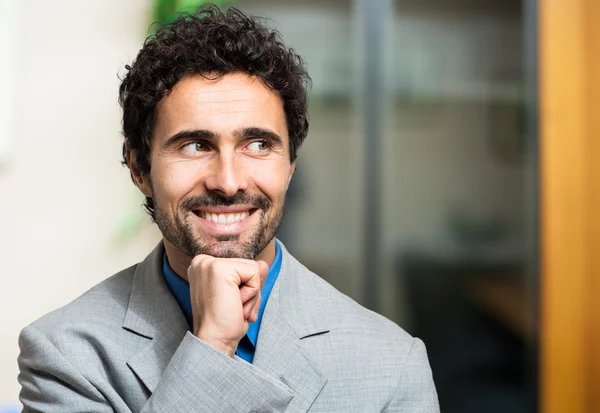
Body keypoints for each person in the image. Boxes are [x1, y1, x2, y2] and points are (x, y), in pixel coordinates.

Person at [17, 5, 439, 412]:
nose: (229, 181)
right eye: (196, 145)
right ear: (140, 168)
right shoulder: (65, 354)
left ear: (290, 167)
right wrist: (212, 347)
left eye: (258, 145)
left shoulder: (392, 364)